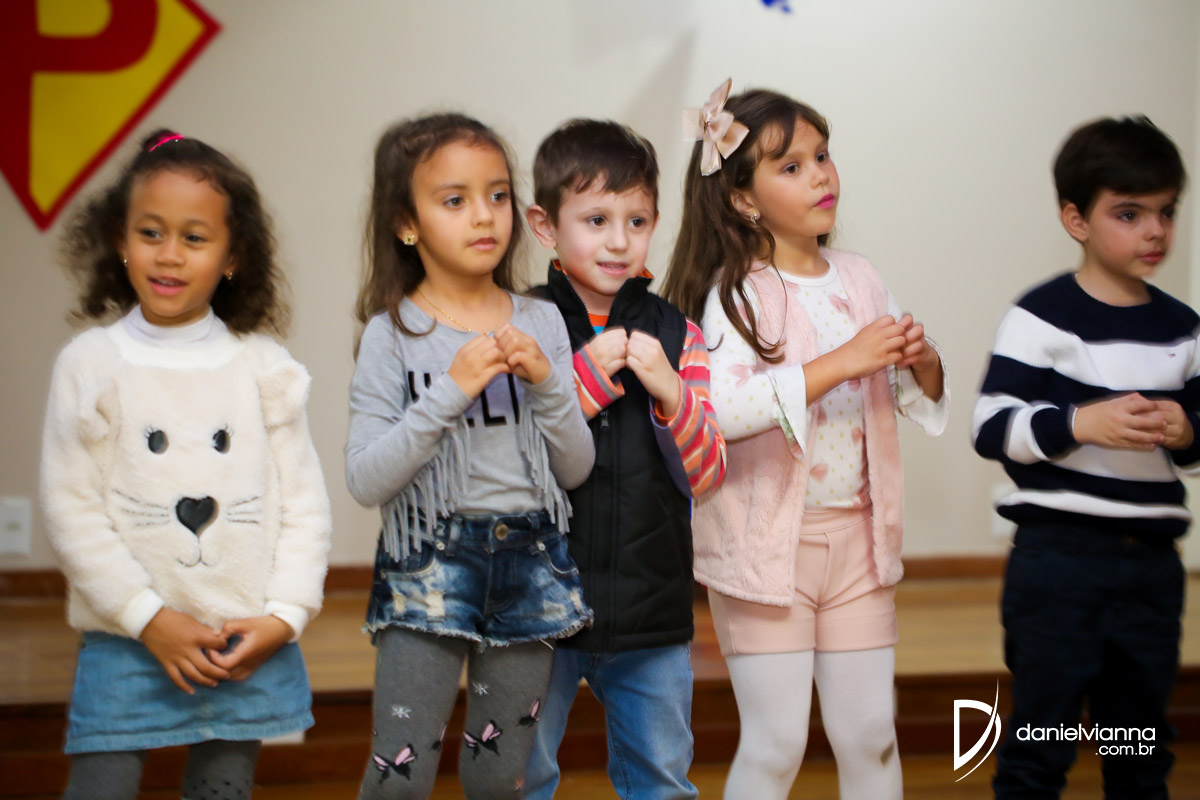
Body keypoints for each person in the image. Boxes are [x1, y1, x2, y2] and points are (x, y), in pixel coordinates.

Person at [662, 80, 948, 800]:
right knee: (776, 744)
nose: (820, 175)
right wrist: (841, 362)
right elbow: (721, 409)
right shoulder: (736, 291)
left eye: (822, 156)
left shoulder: (860, 277)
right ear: (742, 199)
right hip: (766, 554)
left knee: (872, 736)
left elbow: (904, 391)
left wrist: (924, 365)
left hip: (859, 545)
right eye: (791, 166)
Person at [42, 129, 332, 800]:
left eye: (194, 238)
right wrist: (149, 617)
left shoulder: (263, 367)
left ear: (233, 256)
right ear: (119, 239)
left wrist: (285, 616)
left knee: (223, 788)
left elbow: (304, 504)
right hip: (128, 640)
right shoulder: (91, 364)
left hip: (243, 645)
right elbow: (71, 509)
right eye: (151, 233)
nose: (169, 254)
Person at [346, 113, 595, 799]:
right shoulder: (392, 334)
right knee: (399, 773)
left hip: (532, 562)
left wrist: (548, 383)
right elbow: (365, 478)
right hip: (429, 562)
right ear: (407, 223)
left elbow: (575, 469)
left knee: (499, 777)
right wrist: (449, 392)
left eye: (497, 195)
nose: (484, 215)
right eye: (454, 200)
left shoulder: (541, 319)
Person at [973, 115, 1192, 799]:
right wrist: (1079, 422)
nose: (1154, 231)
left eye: (1165, 212)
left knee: (1139, 749)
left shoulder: (1183, 329)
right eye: (1129, 214)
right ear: (1076, 219)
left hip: (1151, 568)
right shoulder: (1040, 318)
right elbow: (991, 427)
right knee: (1042, 746)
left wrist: (1187, 429)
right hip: (1058, 564)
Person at [522, 119, 726, 800]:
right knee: (520, 775)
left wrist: (671, 392)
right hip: (533, 607)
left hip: (651, 610)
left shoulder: (678, 332)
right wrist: (581, 381)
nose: (618, 240)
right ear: (545, 227)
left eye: (636, 221)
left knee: (661, 778)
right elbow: (506, 460)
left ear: (655, 225)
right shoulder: (520, 326)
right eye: (596, 220)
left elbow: (707, 473)